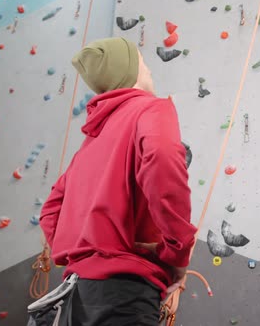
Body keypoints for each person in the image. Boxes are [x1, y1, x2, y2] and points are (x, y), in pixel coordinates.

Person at [39, 37, 197, 325]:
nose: (149, 69)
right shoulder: (151, 109)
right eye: (142, 61)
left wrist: (84, 255)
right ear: (127, 71)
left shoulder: (91, 141)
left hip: (77, 293)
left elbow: (50, 211)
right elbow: (162, 157)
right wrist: (177, 253)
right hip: (125, 291)